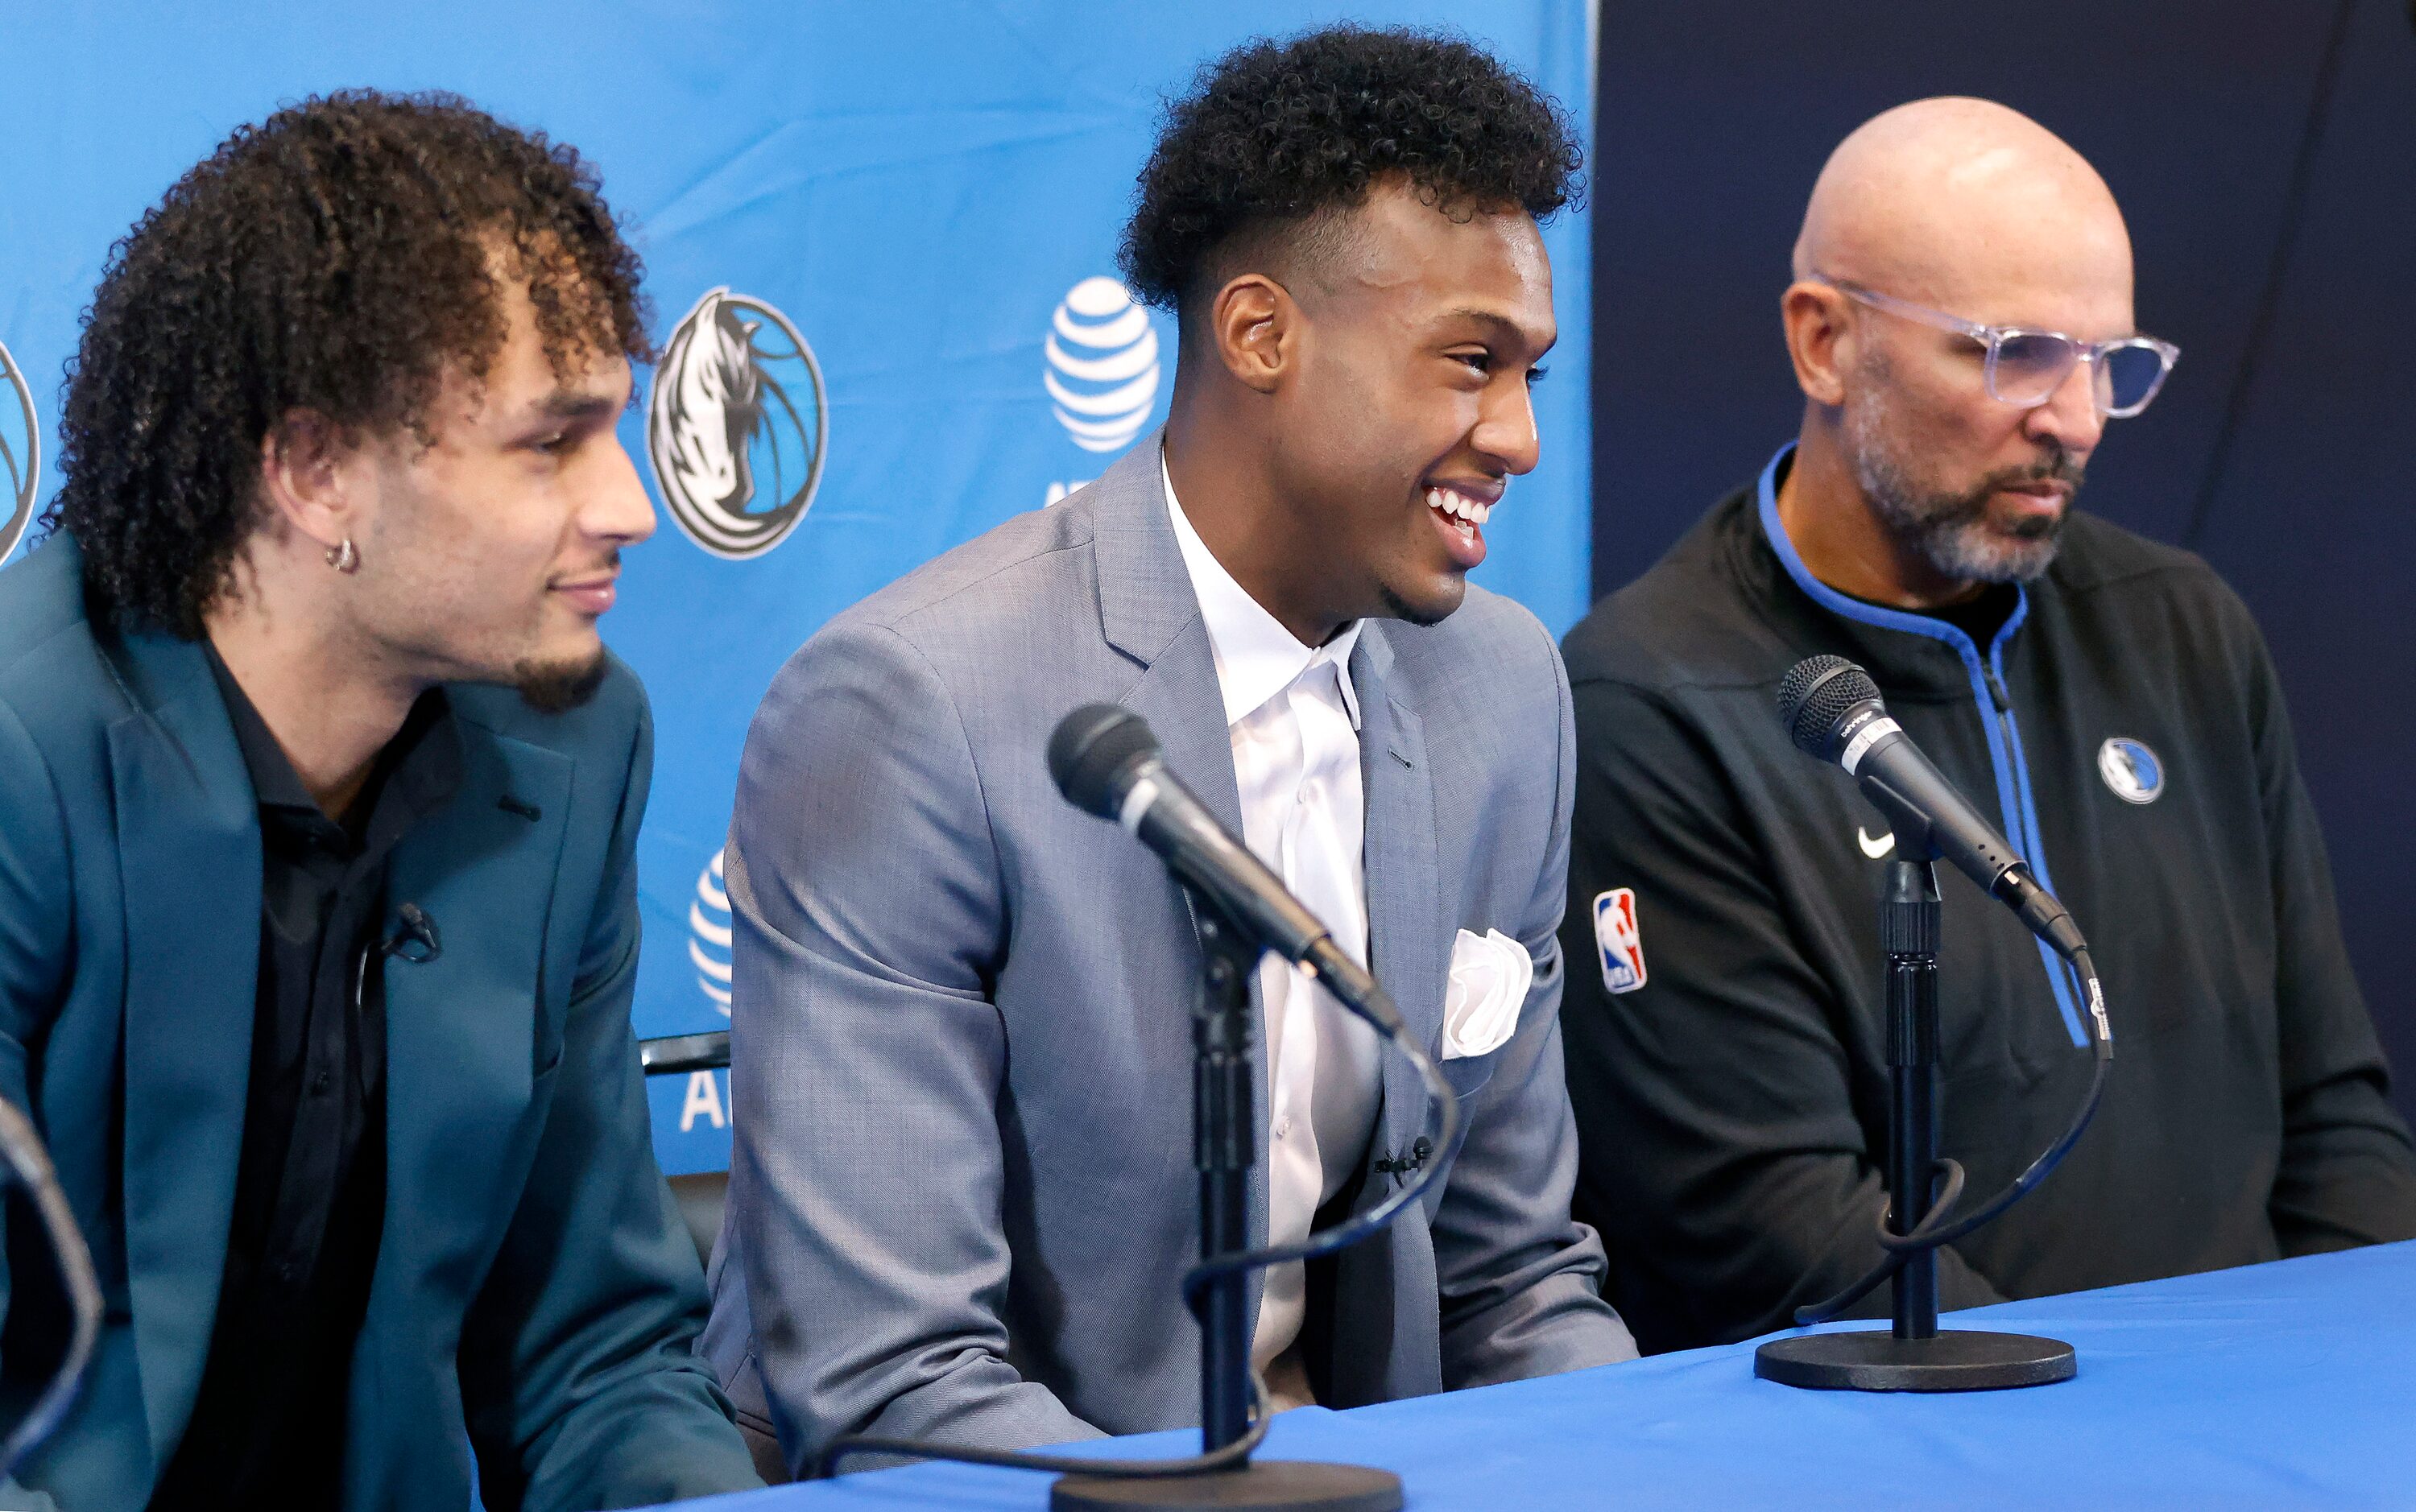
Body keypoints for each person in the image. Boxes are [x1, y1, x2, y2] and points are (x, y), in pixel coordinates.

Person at [703, 26, 1634, 1475]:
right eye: (1469, 363)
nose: (1514, 435)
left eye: (1529, 373)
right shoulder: (914, 704)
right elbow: (894, 1380)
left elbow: (1513, 1276)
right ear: (1259, 336)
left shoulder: (1502, 686)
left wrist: (1629, 1468)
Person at [1556, 97, 2416, 1353]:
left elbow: (2337, 1117)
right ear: (1824, 343)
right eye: (2015, 352)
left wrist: (2347, 1382)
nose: (2072, 418)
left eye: (2110, 366)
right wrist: (2115, 1451)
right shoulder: (1650, 704)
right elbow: (1775, 1232)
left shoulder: (2183, 624)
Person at [0, 93, 763, 1508]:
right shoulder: (18, 751)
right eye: (554, 442)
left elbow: (591, 1349)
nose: (632, 502)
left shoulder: (579, 741)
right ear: (315, 471)